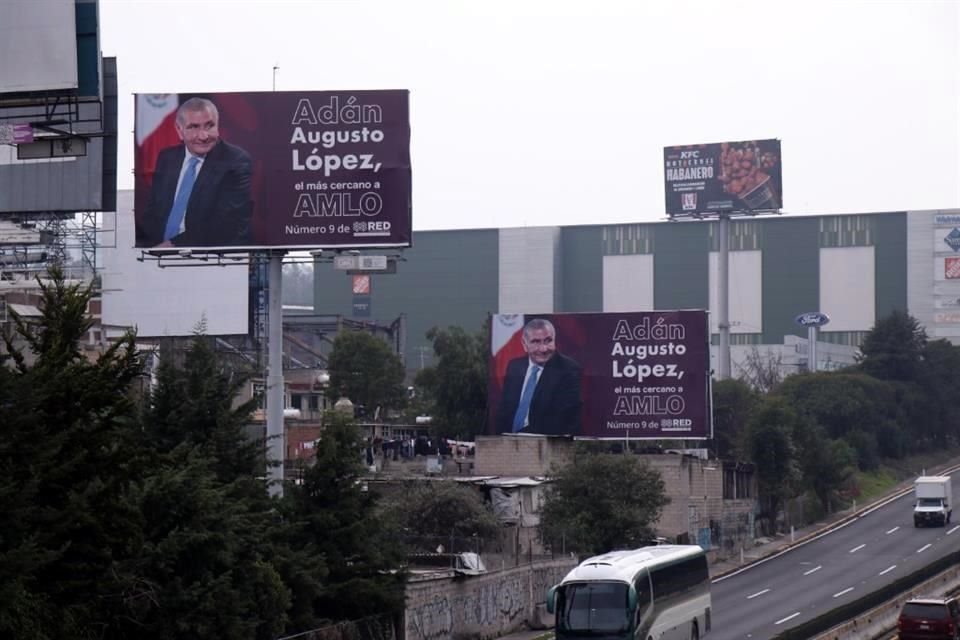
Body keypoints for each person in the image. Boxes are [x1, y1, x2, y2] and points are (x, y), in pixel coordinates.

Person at [136, 97, 253, 248]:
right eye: (194, 127)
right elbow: (153, 212)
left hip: (211, 258)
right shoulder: (167, 157)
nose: (203, 136)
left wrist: (171, 246)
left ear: (218, 125)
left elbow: (225, 225)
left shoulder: (236, 160)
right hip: (157, 256)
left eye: (209, 126)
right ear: (179, 130)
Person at [495, 318, 582, 436]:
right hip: (506, 442)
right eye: (536, 342)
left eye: (548, 341)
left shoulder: (568, 369)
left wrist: (518, 436)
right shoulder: (514, 366)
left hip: (545, 443)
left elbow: (560, 420)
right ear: (524, 344)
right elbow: (505, 411)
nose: (543, 349)